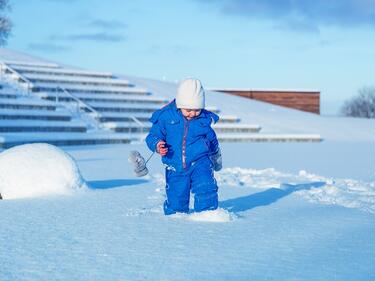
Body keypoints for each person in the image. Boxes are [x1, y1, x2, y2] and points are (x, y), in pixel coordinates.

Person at [146, 78, 222, 215]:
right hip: (175, 164)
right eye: (188, 110)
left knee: (206, 187)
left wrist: (216, 156)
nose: (192, 113)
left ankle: (208, 215)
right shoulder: (165, 118)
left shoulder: (203, 119)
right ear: (180, 104)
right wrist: (157, 145)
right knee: (177, 198)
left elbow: (212, 140)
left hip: (200, 161)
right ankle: (176, 219)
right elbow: (152, 136)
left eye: (197, 110)